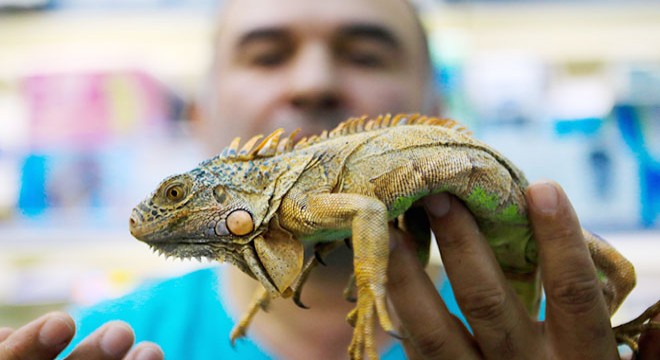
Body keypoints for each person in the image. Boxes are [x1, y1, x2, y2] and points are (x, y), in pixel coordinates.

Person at [1, 0, 659, 359]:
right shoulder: (102, 342)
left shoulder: (567, 340)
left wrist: (369, 288)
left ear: (437, 114)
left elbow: (369, 216)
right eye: (266, 53)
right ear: (201, 120)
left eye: (365, 51)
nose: (313, 82)